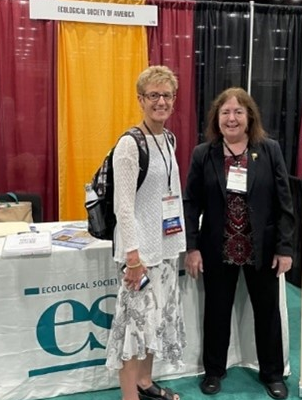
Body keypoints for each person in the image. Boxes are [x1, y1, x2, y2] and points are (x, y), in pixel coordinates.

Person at [183, 87, 294, 399]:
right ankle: (214, 371)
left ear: (249, 117)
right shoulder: (203, 154)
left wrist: (285, 248)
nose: (231, 118)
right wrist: (192, 247)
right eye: (225, 113)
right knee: (216, 313)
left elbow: (284, 202)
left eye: (238, 112)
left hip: (262, 249)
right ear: (217, 119)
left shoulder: (268, 149)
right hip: (217, 249)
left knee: (267, 313)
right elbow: (191, 203)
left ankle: (272, 374)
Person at [106, 65, 186, 400]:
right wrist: (133, 258)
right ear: (141, 99)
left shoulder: (168, 138)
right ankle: (130, 395)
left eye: (167, 95)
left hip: (166, 247)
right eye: (153, 95)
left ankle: (145, 382)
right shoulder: (128, 144)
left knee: (156, 322)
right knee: (133, 328)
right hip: (139, 254)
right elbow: (123, 207)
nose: (161, 101)